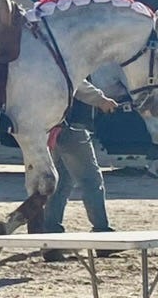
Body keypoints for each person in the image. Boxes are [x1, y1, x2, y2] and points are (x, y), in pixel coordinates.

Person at [41, 79, 120, 262]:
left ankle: (52, 239)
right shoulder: (72, 58)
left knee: (61, 184)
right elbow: (79, 84)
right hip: (73, 127)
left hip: (55, 128)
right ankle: (102, 235)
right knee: (91, 181)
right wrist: (102, 100)